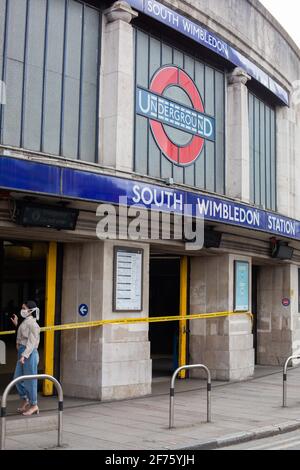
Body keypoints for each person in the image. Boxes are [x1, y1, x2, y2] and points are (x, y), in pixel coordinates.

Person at [10, 301, 40, 416]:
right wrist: (16, 325)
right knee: (17, 378)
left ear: (30, 310)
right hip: (23, 352)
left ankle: (34, 405)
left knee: (30, 380)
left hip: (29, 353)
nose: (22, 310)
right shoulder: (25, 322)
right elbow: (22, 337)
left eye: (24, 308)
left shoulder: (33, 324)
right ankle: (26, 399)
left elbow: (32, 343)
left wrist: (24, 355)